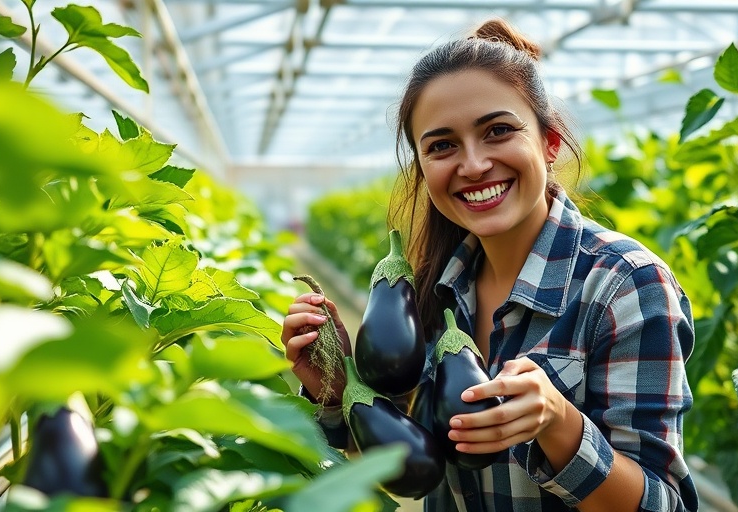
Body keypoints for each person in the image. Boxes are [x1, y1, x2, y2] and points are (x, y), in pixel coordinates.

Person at [282, 17, 698, 512]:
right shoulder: (430, 285)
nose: (474, 165)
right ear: (422, 166)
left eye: (498, 131)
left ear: (550, 142)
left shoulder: (625, 285)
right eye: (441, 146)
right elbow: (411, 458)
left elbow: (664, 504)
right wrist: (336, 386)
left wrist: (559, 423)